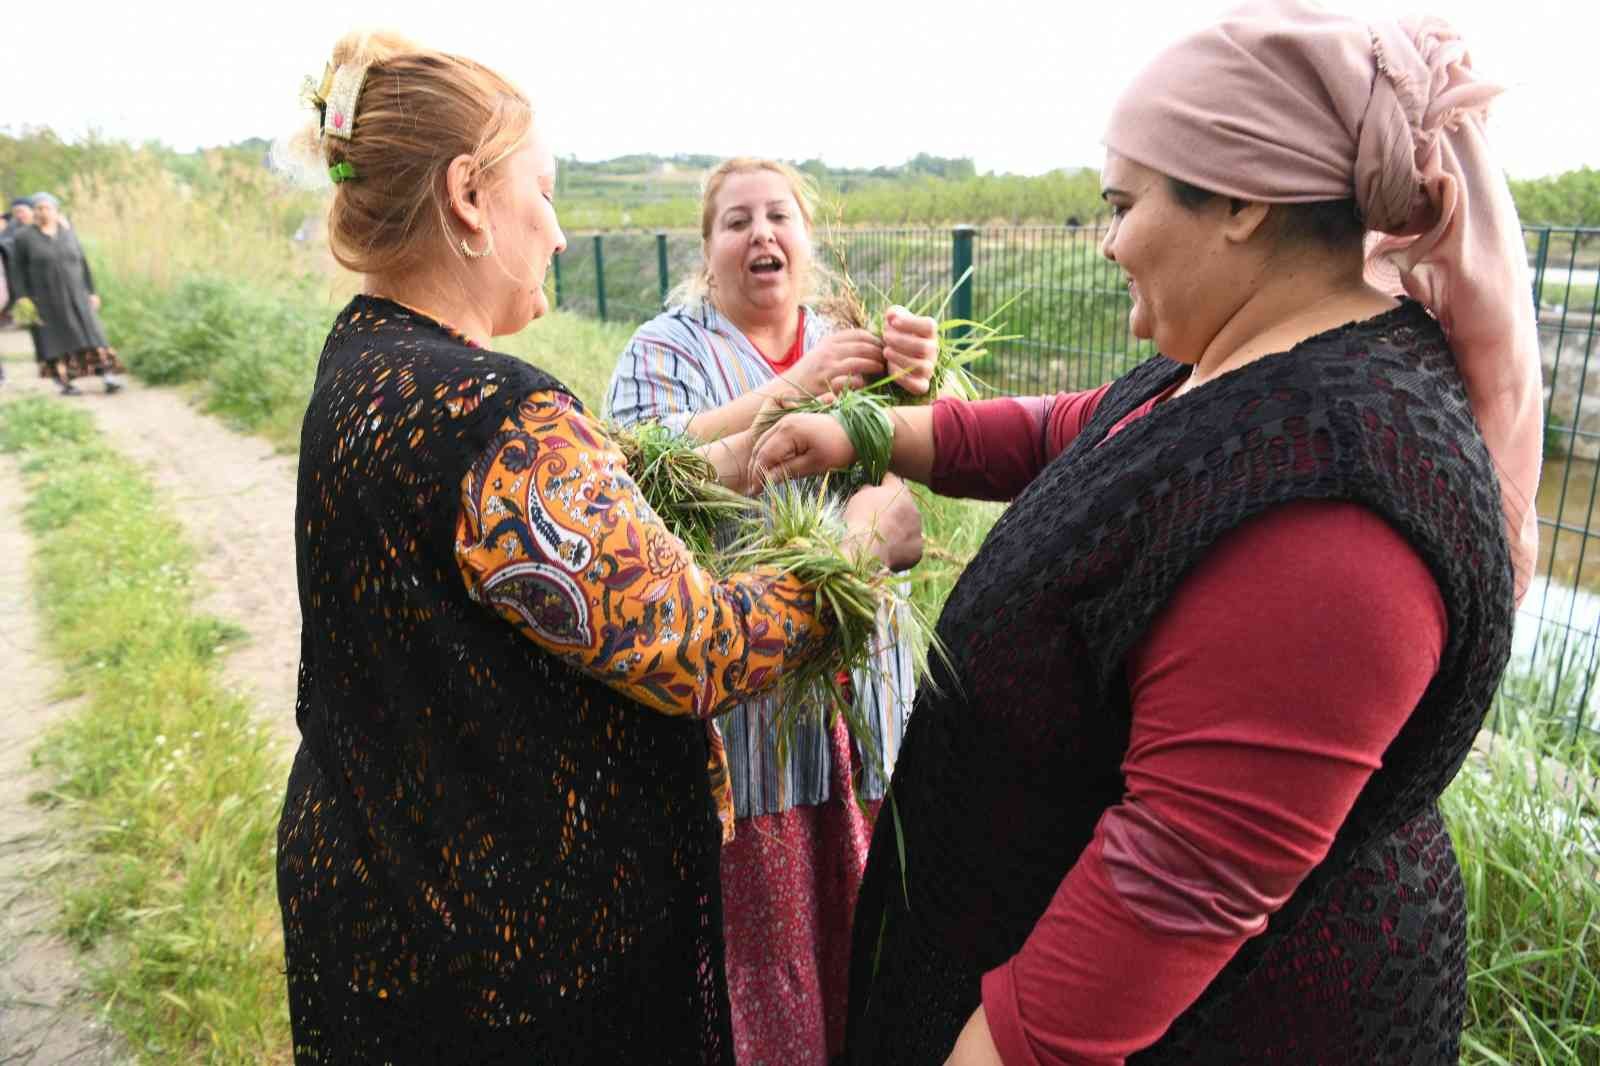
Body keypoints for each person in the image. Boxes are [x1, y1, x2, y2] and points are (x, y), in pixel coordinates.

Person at [751, 4, 1540, 1063]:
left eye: (1123, 204)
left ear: (1244, 202)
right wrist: (862, 433)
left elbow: (1166, 891)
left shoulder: (1333, 523)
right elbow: (1084, 433)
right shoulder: (1236, 365)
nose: (1110, 240)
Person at [275, 31, 921, 1066]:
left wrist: (737, 459)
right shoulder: (497, 415)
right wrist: (855, 550)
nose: (563, 233)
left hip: (380, 883)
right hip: (505, 946)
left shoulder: (366, 363)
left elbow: (587, 499)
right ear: (469, 198)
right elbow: (698, 646)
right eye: (545, 191)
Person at [604, 157, 936, 1064]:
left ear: (808, 239)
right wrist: (791, 392)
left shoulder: (847, 338)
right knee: (772, 948)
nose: (760, 234)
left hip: (862, 690)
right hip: (749, 706)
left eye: (778, 215)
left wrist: (913, 386)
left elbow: (907, 474)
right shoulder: (664, 351)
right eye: (735, 221)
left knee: (876, 928)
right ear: (706, 253)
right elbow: (640, 483)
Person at [6, 192, 124, 395]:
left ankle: (108, 376)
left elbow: (83, 262)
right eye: (38, 208)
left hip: (76, 293)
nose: (43, 212)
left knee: (92, 334)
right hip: (43, 298)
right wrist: (23, 297)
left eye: (47, 208)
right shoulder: (23, 237)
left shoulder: (67, 231)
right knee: (53, 341)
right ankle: (64, 383)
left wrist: (92, 291)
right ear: (34, 212)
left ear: (56, 210)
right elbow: (16, 271)